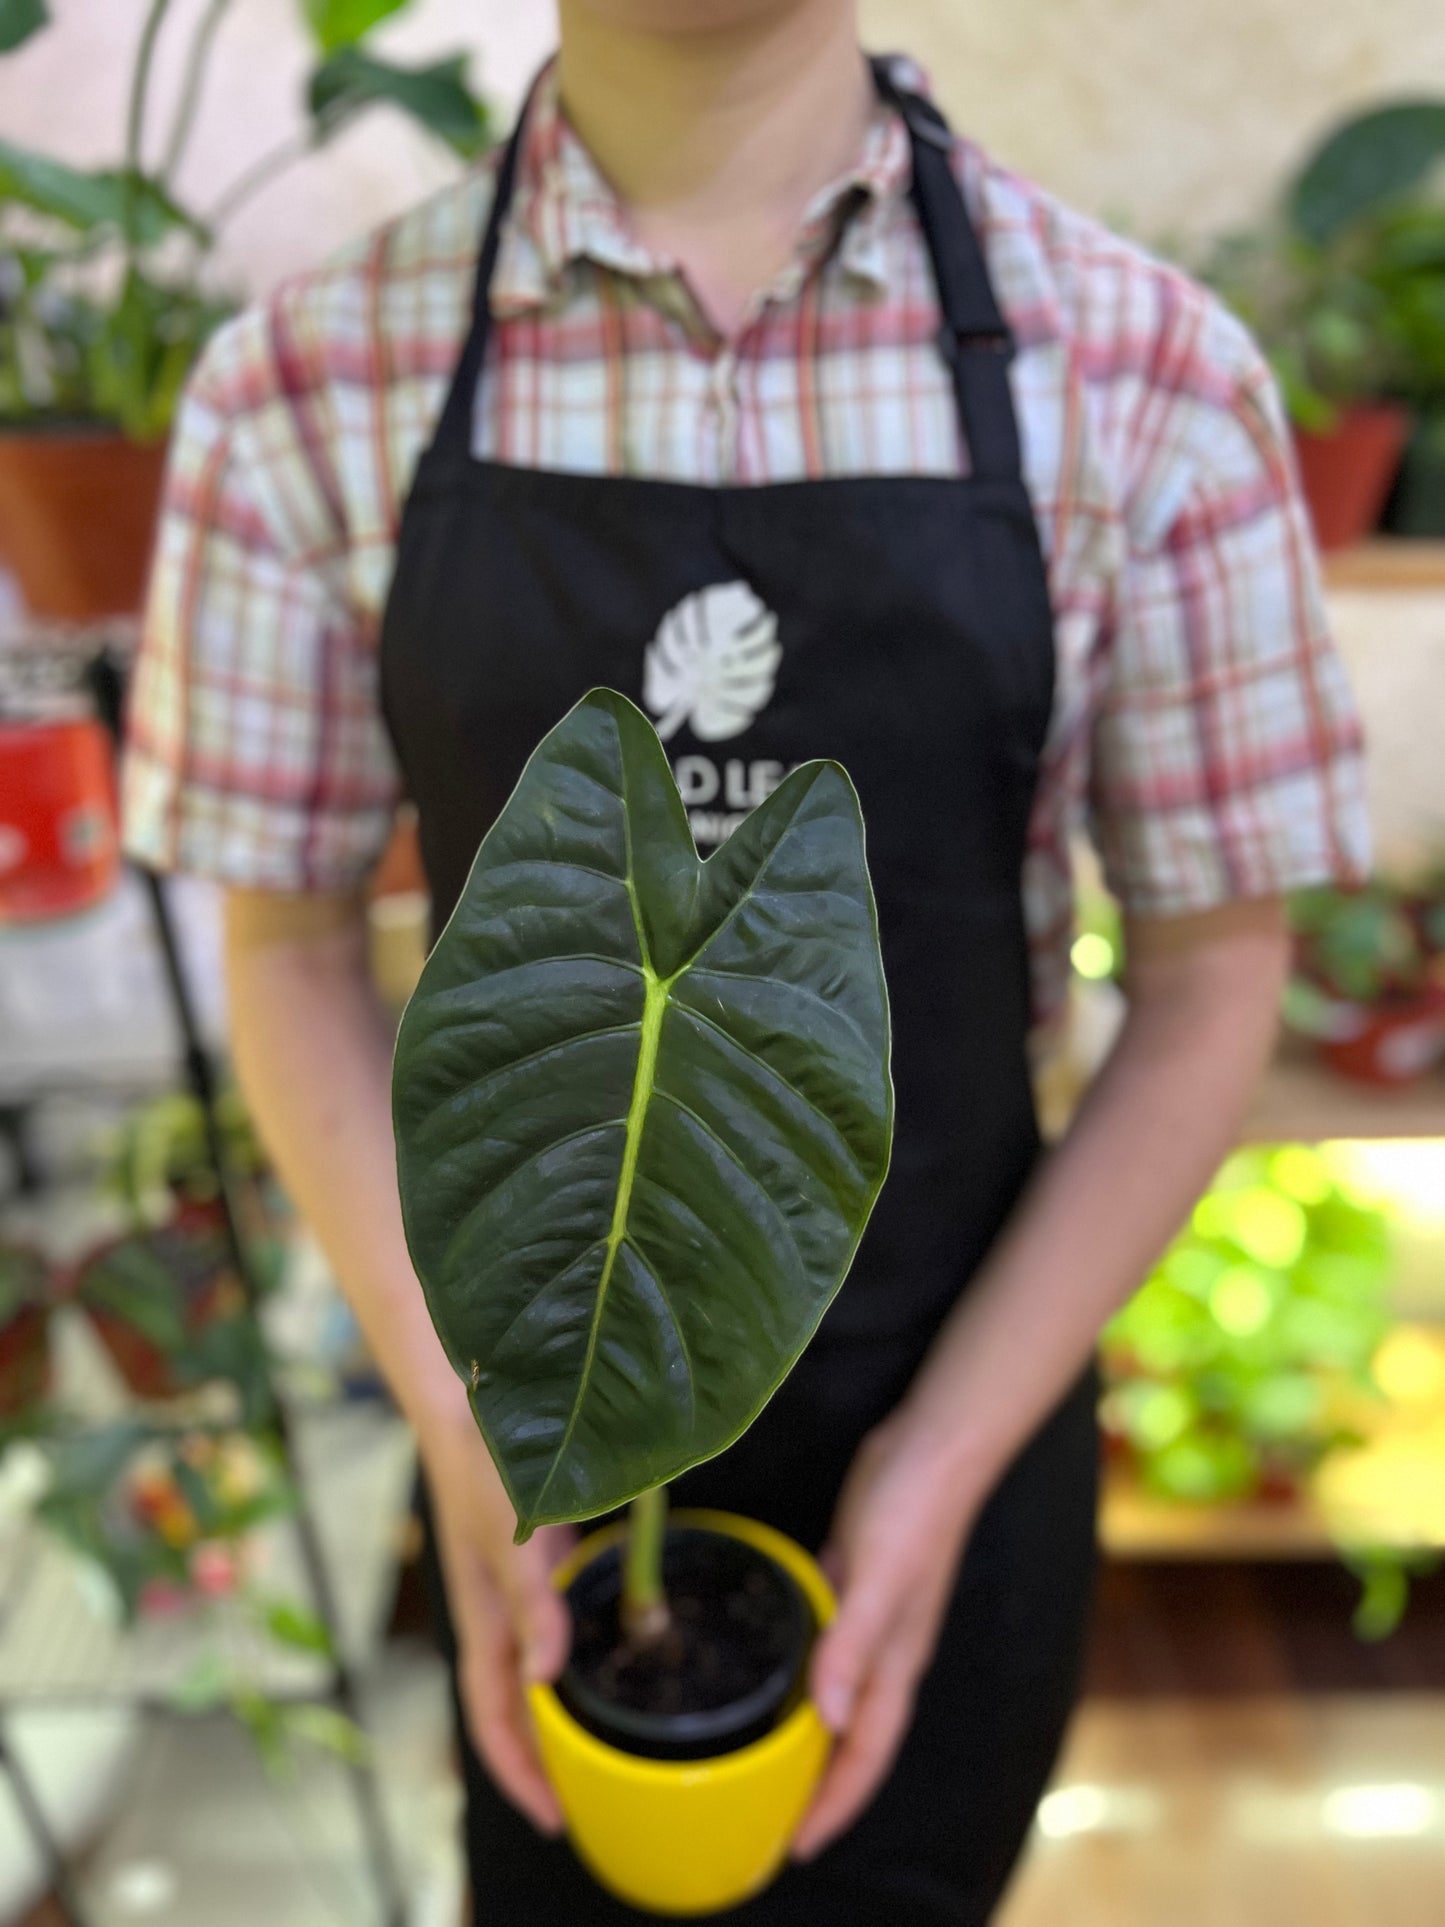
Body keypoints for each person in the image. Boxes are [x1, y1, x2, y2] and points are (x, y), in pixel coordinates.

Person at [120, 3, 1371, 1920]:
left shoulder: (1138, 372)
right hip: (527, 1429)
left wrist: (940, 1467)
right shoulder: (305, 381)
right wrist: (464, 1422)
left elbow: (1215, 978)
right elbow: (285, 942)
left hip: (950, 1381)